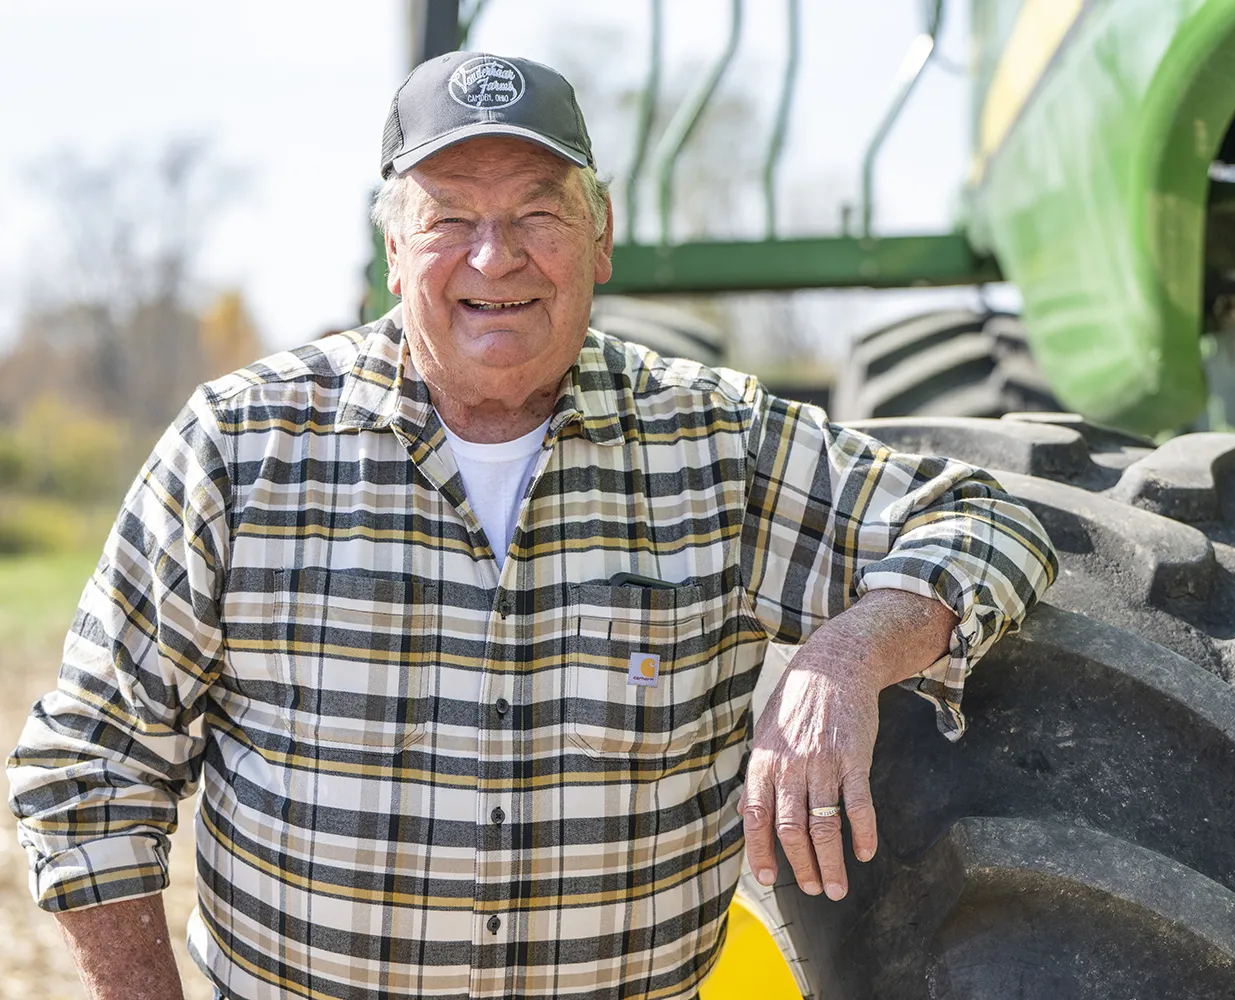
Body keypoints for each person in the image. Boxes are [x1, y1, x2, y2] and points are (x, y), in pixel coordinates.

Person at [7, 51, 1057, 1000]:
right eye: (450, 216)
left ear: (600, 238)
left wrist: (846, 653)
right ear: (392, 248)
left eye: (538, 213)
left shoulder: (715, 443)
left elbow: (984, 520)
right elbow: (88, 769)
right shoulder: (241, 447)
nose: (495, 255)